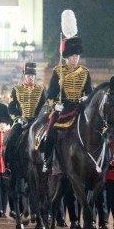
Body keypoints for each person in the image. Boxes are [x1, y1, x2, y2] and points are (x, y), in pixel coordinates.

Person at [40, 10, 91, 173]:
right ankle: (47, 161)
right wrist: (55, 105)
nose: (75, 58)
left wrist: (86, 99)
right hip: (63, 108)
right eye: (72, 55)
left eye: (77, 55)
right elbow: (50, 95)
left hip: (80, 108)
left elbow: (89, 92)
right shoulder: (58, 71)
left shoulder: (85, 72)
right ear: (67, 56)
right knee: (51, 131)